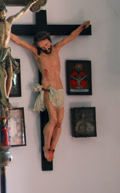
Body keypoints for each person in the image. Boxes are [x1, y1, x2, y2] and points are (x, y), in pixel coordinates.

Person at [10, 20, 90, 161]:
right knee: (53, 120)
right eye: (43, 45)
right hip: (48, 90)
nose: (47, 47)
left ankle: (53, 148)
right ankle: (46, 146)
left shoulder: (56, 48)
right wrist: (5, 31)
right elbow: (19, 41)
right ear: (38, 45)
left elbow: (70, 37)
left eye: (47, 44)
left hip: (59, 90)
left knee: (60, 122)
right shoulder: (37, 54)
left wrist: (82, 27)